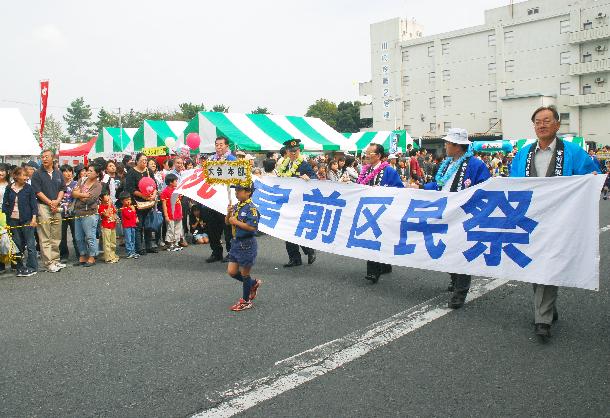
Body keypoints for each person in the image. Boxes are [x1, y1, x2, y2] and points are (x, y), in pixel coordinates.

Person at [510, 105, 598, 339]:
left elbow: (591, 177)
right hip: (530, 219)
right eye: (538, 121)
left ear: (558, 124)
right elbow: (512, 184)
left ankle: (543, 319)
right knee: (534, 264)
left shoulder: (572, 152)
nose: (542, 125)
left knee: (548, 262)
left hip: (560, 219)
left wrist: (590, 181)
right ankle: (547, 306)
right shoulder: (523, 153)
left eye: (547, 120)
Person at [422, 128, 491, 308]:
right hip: (444, 212)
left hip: (463, 214)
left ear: (458, 146)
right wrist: (422, 187)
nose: (445, 146)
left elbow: (485, 188)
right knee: (446, 249)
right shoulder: (445, 164)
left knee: (460, 252)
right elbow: (439, 185)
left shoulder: (475, 164)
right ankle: (454, 279)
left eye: (448, 143)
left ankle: (460, 292)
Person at [357, 143, 404, 283]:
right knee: (371, 239)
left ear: (378, 156)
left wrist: (384, 190)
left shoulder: (389, 171)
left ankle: (382, 266)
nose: (366, 156)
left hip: (384, 211)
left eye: (369, 153)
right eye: (366, 153)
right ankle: (373, 271)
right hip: (368, 211)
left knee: (383, 239)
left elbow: (399, 189)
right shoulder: (365, 170)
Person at [277, 139, 317, 267]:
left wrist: (309, 179)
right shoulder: (284, 164)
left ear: (299, 150)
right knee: (287, 230)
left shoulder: (304, 165)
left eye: (296, 151)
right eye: (291, 151)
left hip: (299, 202)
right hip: (287, 201)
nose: (293, 153)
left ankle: (309, 249)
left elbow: (315, 179)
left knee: (297, 229)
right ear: (287, 152)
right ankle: (294, 258)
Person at [225, 183, 262, 312]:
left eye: (239, 190)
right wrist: (228, 214)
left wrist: (236, 222)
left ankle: (246, 301)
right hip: (235, 242)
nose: (236, 193)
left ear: (248, 192)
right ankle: (253, 283)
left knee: (245, 273)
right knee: (232, 272)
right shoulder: (236, 206)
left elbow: (252, 228)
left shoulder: (252, 209)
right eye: (236, 190)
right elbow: (227, 222)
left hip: (247, 244)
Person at [30, 150, 66, 273]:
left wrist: (57, 201)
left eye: (47, 157)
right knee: (45, 235)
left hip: (56, 205)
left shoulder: (58, 173)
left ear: (52, 158)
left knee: (56, 234)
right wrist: (50, 202)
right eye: (42, 157)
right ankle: (48, 263)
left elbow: (62, 188)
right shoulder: (37, 174)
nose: (44, 159)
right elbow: (37, 191)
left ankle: (56, 260)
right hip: (43, 206)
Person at [2, 167, 38, 277]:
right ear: (16, 176)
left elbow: (33, 205)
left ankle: (32, 267)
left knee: (30, 244)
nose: (26, 177)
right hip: (12, 220)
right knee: (16, 244)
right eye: (23, 175)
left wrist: (34, 219)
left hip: (27, 219)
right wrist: (6, 220)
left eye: (26, 175)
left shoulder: (29, 188)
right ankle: (19, 267)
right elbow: (5, 204)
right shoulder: (9, 188)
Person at [206, 136, 236, 263]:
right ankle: (216, 251)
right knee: (212, 228)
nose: (218, 147)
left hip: (227, 199)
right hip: (212, 199)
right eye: (217, 145)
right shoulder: (211, 160)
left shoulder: (232, 160)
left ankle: (231, 252)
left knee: (228, 227)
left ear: (227, 146)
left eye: (221, 145)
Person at [124, 153, 158, 255]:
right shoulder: (132, 172)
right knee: (139, 225)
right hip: (137, 202)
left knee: (148, 225)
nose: (144, 162)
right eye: (142, 160)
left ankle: (149, 246)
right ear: (137, 161)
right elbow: (130, 188)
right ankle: (139, 248)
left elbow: (155, 185)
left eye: (146, 160)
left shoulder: (149, 171)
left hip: (149, 202)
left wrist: (153, 195)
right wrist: (143, 196)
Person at [72, 165, 102, 267]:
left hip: (90, 213)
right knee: (78, 237)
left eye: (90, 171)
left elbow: (90, 200)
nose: (87, 173)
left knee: (90, 236)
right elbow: (73, 193)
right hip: (78, 212)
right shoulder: (82, 180)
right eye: (87, 170)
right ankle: (83, 255)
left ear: (97, 173)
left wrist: (79, 194)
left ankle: (92, 256)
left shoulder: (98, 185)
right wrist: (83, 195)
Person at [59, 164, 79, 263]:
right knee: (62, 235)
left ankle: (80, 253)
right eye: (66, 171)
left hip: (73, 212)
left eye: (70, 171)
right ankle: (63, 255)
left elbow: (78, 197)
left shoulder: (76, 183)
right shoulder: (58, 184)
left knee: (76, 234)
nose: (68, 173)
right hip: (61, 212)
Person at [160, 173, 184, 252]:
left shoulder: (176, 190)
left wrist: (181, 212)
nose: (177, 182)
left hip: (178, 213)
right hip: (170, 214)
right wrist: (166, 215)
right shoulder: (165, 192)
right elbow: (164, 205)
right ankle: (170, 244)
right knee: (171, 229)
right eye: (175, 181)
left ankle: (176, 243)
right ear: (170, 182)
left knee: (178, 228)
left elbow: (179, 201)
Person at [98, 190, 119, 263]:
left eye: (108, 195)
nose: (108, 197)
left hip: (112, 225)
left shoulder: (111, 205)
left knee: (113, 241)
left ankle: (112, 255)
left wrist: (116, 217)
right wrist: (109, 205)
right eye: (106, 195)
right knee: (107, 242)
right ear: (101, 198)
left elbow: (115, 212)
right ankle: (108, 258)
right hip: (106, 226)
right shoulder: (101, 207)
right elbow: (106, 214)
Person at [119, 191, 138, 259]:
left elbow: (134, 216)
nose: (128, 201)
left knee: (133, 239)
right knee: (128, 240)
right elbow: (129, 216)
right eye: (126, 200)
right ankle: (129, 252)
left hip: (133, 225)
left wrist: (136, 217)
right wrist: (133, 211)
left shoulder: (131, 207)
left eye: (129, 199)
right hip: (127, 226)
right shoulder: (123, 208)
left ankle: (133, 252)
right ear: (122, 201)